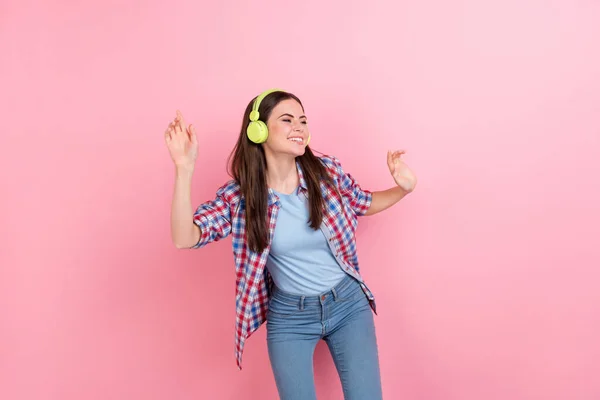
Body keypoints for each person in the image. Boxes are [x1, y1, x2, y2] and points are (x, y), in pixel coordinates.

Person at [164, 89, 417, 400]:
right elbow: (184, 237)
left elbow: (362, 202)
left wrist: (402, 189)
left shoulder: (325, 173)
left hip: (347, 304)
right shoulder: (240, 197)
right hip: (290, 317)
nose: (299, 127)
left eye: (303, 120)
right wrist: (184, 170)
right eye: (287, 119)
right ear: (258, 130)